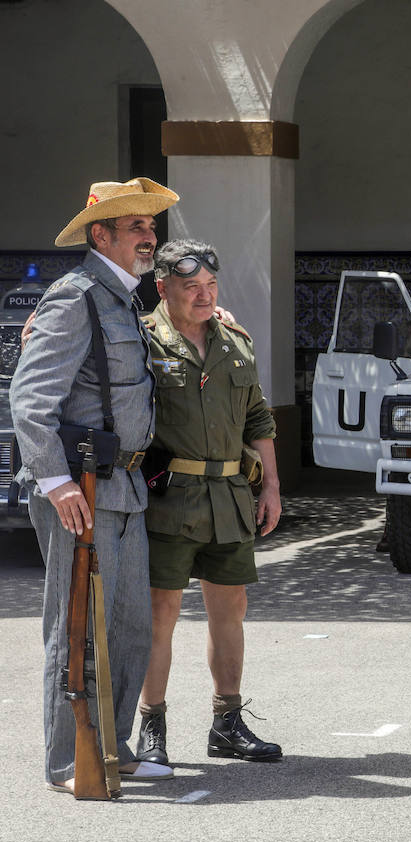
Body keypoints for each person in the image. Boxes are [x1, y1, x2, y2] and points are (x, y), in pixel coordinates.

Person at [11, 177, 180, 791]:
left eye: (151, 227)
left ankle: (113, 742)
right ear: (100, 234)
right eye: (136, 227)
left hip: (125, 484)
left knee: (129, 625)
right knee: (75, 623)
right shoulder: (74, 298)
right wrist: (56, 483)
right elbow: (31, 400)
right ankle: (67, 757)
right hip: (79, 486)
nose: (149, 237)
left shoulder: (126, 300)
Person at [134, 239, 284, 768]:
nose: (203, 296)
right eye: (190, 287)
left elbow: (258, 420)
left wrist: (270, 486)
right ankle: (152, 727)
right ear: (163, 288)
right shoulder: (141, 341)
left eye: (210, 287)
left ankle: (227, 722)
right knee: (160, 615)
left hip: (229, 498)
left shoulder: (235, 341)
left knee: (231, 611)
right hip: (168, 502)